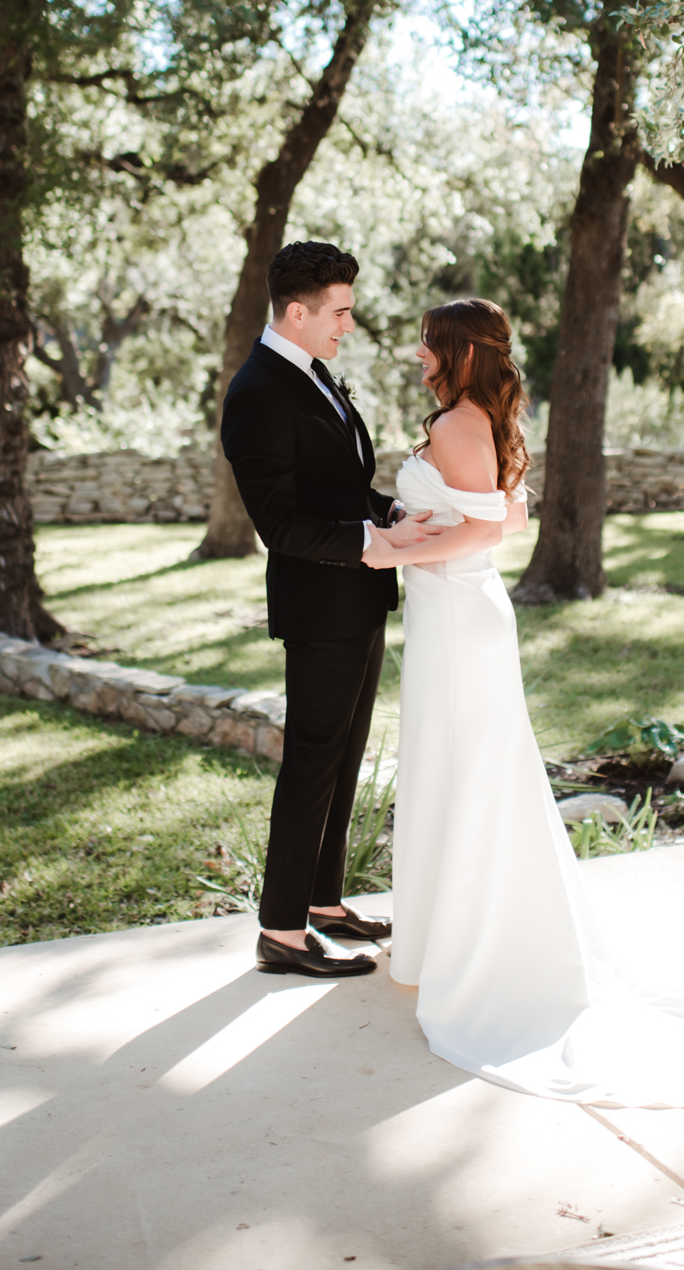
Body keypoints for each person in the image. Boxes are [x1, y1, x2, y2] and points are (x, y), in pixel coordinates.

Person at [362, 296, 684, 1107]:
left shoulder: (458, 424)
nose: (420, 355)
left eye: (430, 344)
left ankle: (472, 950)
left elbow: (487, 533)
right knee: (459, 768)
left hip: (458, 614)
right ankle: (449, 940)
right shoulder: (478, 420)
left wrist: (386, 552)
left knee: (466, 772)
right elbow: (503, 512)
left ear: (461, 353)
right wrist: (412, 526)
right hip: (455, 612)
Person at [221, 240, 442, 978]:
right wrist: (375, 543)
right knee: (311, 762)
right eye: (339, 312)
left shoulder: (312, 374)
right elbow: (280, 524)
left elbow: (338, 489)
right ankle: (282, 933)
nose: (348, 325)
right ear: (297, 311)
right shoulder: (258, 392)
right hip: (320, 607)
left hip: (359, 596)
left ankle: (323, 902)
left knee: (343, 760)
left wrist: (393, 516)